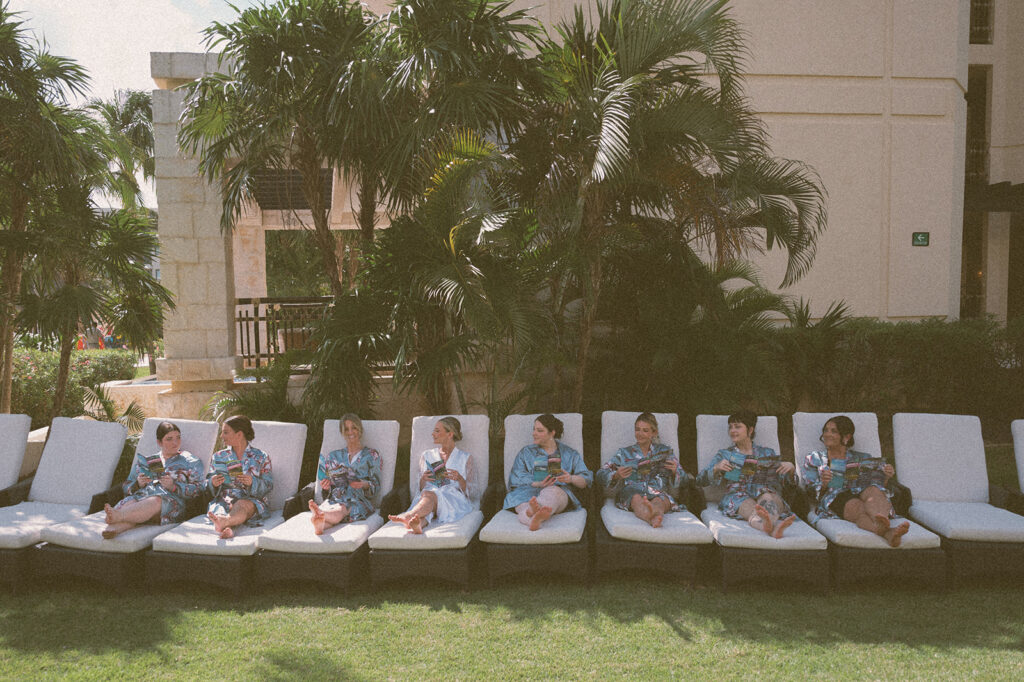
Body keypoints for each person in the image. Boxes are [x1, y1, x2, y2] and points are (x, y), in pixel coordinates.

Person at [799, 415, 910, 547]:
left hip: (865, 490)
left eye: (833, 431)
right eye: (826, 430)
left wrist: (886, 476)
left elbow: (881, 486)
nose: (827, 434)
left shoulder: (863, 458)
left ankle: (880, 521)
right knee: (858, 508)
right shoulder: (814, 458)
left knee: (874, 490)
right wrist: (824, 483)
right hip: (837, 496)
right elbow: (809, 490)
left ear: (846, 437)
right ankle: (887, 531)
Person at [697, 410, 797, 538]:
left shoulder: (767, 453)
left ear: (750, 430)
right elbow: (700, 480)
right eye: (731, 427)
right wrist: (716, 468)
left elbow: (786, 484)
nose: (733, 430)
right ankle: (770, 526)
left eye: (737, 427)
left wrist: (791, 469)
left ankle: (768, 524)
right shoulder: (725, 454)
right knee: (751, 507)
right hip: (739, 495)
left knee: (768, 497)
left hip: (766, 491)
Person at [102, 422, 204, 538]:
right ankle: (112, 530)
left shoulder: (191, 461)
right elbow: (126, 486)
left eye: (178, 438)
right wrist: (138, 484)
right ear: (159, 442)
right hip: (141, 499)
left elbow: (199, 490)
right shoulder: (147, 461)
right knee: (131, 503)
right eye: (169, 439)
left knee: (155, 501)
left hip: (170, 504)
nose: (175, 443)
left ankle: (119, 515)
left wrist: (174, 486)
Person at [596, 412, 688, 527]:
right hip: (632, 492)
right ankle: (651, 517)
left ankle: (655, 512)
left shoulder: (665, 452)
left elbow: (685, 479)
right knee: (636, 499)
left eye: (645, 430)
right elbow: (600, 474)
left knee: (660, 500)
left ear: (654, 433)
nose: (640, 434)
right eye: (637, 429)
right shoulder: (624, 453)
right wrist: (616, 475)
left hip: (658, 492)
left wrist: (675, 471)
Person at [503, 414, 592, 531]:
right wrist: (537, 483)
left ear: (552, 433)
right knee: (522, 505)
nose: (534, 433)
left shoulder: (570, 454)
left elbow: (585, 480)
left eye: (539, 430)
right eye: (534, 429)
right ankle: (533, 516)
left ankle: (536, 508)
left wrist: (570, 478)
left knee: (552, 493)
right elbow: (516, 477)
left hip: (556, 492)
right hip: (527, 492)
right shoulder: (526, 452)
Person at [390, 416, 474, 534]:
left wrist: (460, 479)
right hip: (427, 497)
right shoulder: (427, 455)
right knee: (428, 494)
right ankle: (418, 524)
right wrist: (423, 479)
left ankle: (409, 515)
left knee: (430, 495)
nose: (433, 434)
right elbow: (418, 488)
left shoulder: (465, 458)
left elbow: (472, 492)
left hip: (453, 500)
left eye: (437, 431)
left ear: (450, 434)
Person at [308, 414, 382, 535]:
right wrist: (326, 486)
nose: (350, 432)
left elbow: (377, 485)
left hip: (357, 499)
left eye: (354, 428)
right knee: (337, 506)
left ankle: (321, 515)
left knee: (343, 507)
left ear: (360, 430)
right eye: (346, 429)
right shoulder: (333, 456)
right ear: (342, 433)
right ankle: (320, 525)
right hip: (335, 499)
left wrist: (363, 484)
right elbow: (329, 485)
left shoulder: (372, 455)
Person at [206, 415, 273, 539]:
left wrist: (253, 482)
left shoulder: (261, 456)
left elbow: (269, 485)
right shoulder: (218, 456)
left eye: (225, 432)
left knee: (242, 505)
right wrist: (213, 483)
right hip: (224, 499)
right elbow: (208, 484)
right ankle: (226, 527)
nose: (221, 436)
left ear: (239, 434)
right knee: (220, 508)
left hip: (249, 499)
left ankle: (224, 523)